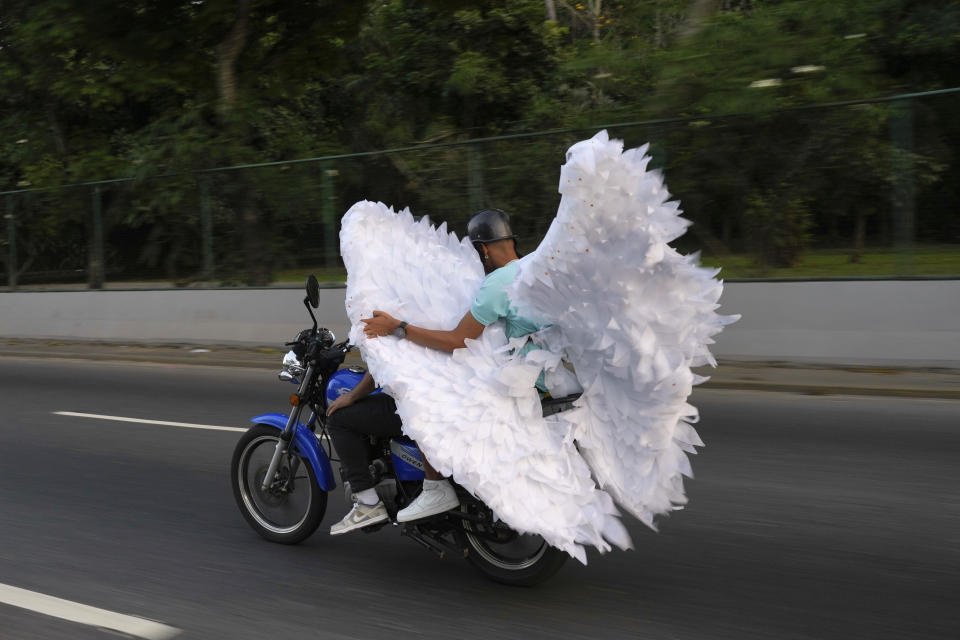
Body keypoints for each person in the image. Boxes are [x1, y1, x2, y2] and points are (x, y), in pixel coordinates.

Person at [360, 208, 549, 524]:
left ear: (483, 249)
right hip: (545, 377)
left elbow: (457, 341)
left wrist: (398, 327)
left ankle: (434, 486)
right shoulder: (535, 270)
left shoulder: (497, 284)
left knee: (419, 389)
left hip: (522, 387)